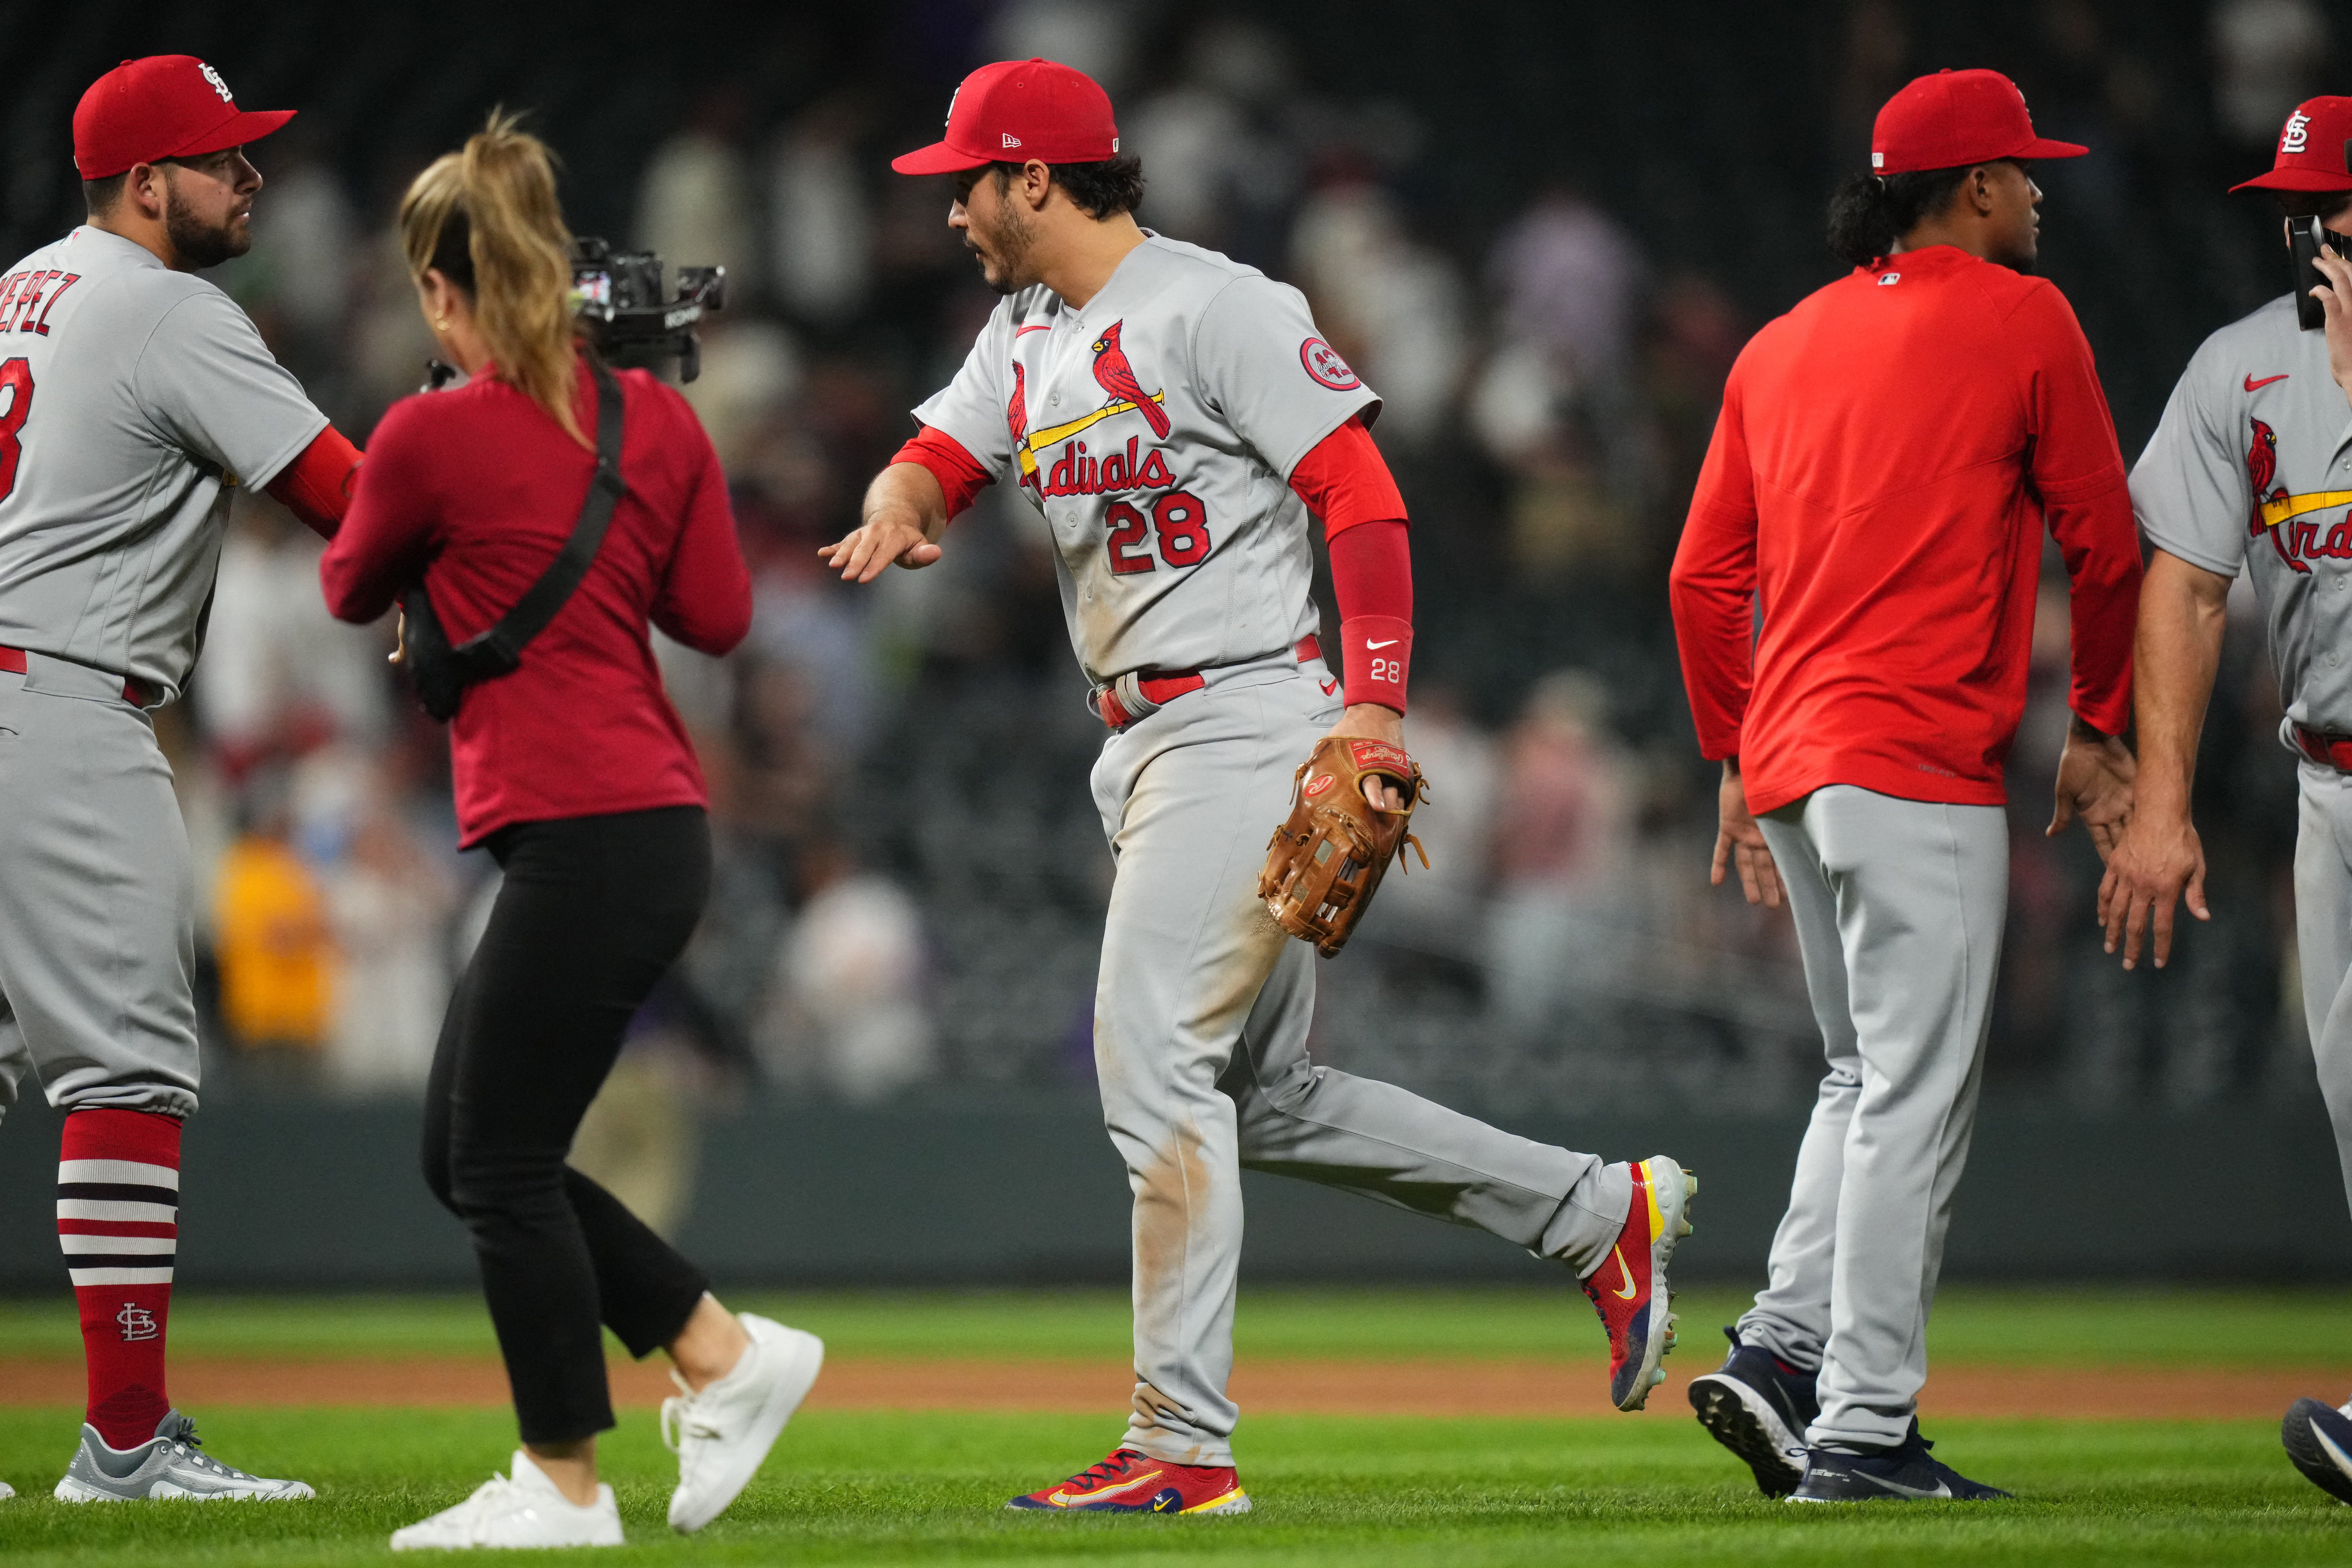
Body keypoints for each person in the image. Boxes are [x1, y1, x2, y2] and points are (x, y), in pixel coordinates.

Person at [824, 58, 1695, 1516]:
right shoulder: (1025, 330)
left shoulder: (1216, 304)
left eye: (966, 183)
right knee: (1260, 1093)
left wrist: (1371, 709)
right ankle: (1600, 1213)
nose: (952, 212)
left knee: (1151, 1059)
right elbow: (936, 456)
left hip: (1245, 714)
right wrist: (896, 508)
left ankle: (1181, 1443)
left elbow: (1360, 493)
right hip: (1148, 738)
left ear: (1035, 176)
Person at [317, 115, 820, 1550]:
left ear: (441, 286)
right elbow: (716, 618)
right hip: (651, 828)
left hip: (581, 832)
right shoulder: (654, 418)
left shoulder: (426, 431)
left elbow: (356, 587)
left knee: (498, 1166)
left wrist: (446, 481)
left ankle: (564, 1485)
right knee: (465, 1148)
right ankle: (721, 1354)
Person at [1667, 68, 2141, 1504]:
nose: (2044, 188)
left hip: (1802, 763)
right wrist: (2106, 721)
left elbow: (1702, 577)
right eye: (2027, 168)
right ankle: (1865, 1430)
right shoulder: (2025, 315)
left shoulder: (1782, 341)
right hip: (1917, 755)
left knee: (1863, 1073)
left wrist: (1738, 759)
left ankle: (1779, 1348)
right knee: (1915, 1097)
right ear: (1979, 188)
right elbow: (2108, 547)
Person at [0, 55, 371, 1504]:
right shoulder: (169, 305)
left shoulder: (21, 285)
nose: (251, 177)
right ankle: (129, 1443)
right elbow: (341, 497)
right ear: (146, 185)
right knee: (129, 1066)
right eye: (222, 160)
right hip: (60, 702)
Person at [2097, 94, 2352, 1508]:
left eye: (2336, 206)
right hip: (2332, 786)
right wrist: (2161, 802)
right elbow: (2185, 594)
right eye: (2296, 207)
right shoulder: (2241, 370)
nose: (2310, 230)